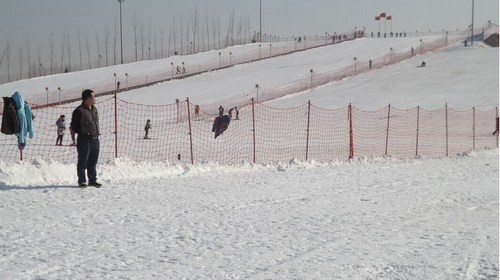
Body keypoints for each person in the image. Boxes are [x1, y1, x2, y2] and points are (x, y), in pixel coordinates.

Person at [71, 89, 101, 188]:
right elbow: (74, 126)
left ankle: (92, 180)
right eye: (94, 97)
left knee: (93, 161)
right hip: (85, 139)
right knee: (83, 160)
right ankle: (82, 180)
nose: (95, 99)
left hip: (95, 139)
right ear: (88, 99)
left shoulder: (94, 109)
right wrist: (84, 133)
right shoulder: (79, 111)